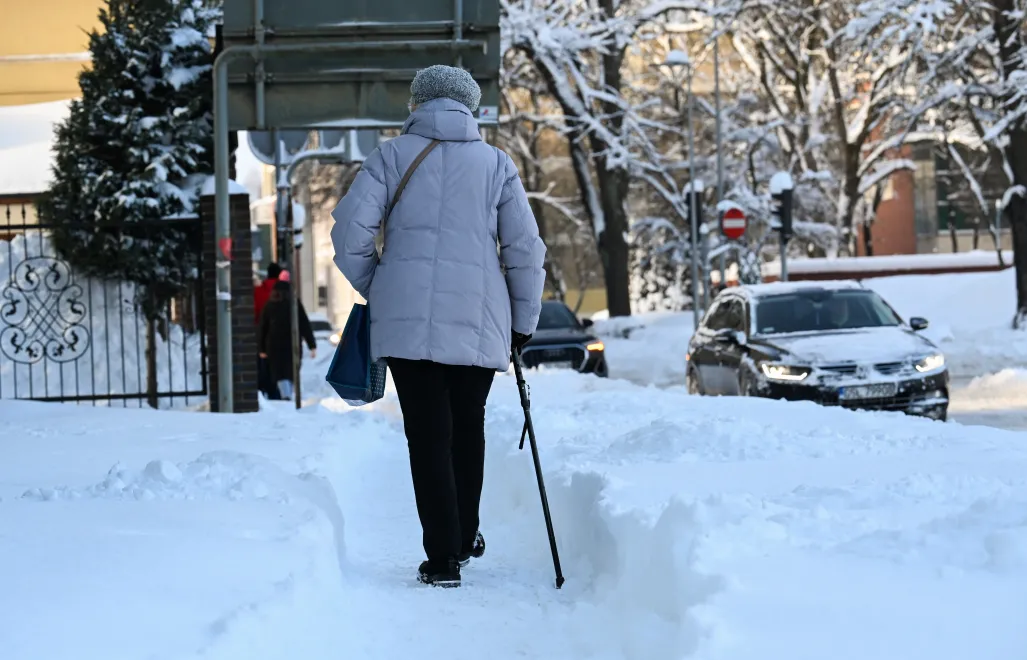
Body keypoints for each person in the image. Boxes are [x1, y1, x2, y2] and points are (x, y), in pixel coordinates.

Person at [330, 64, 546, 587]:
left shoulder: (390, 156)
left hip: (406, 324)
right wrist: (524, 323)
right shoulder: (497, 164)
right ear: (470, 108)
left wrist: (381, 287)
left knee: (427, 435)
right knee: (467, 427)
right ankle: (465, 533)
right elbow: (524, 250)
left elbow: (347, 237)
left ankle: (443, 557)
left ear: (416, 105)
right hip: (479, 317)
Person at [258, 274, 317, 401]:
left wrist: (262, 348)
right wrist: (311, 345)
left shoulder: (269, 306)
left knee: (278, 372)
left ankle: (285, 394)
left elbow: (263, 328)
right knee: (291, 371)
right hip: (292, 344)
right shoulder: (294, 305)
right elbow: (304, 324)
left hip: (273, 346)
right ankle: (287, 394)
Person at [254, 263, 282, 398]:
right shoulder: (284, 292)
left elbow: (254, 312)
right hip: (280, 334)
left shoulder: (258, 291)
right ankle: (276, 390)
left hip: (262, 333)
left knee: (263, 362)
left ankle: (263, 386)